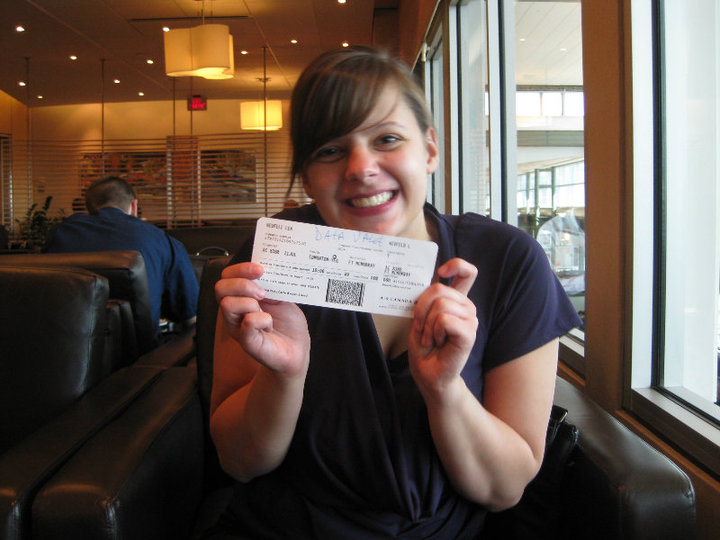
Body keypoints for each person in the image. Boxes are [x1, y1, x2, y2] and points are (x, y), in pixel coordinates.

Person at [207, 46, 582, 539]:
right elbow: (238, 462)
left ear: (429, 149)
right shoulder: (273, 260)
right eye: (330, 151)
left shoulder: (508, 261)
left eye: (387, 139)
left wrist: (445, 391)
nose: (360, 167)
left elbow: (503, 488)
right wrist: (284, 375)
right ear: (307, 177)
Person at [44, 176, 199, 334]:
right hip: (141, 349)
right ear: (134, 206)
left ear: (89, 209)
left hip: (66, 346)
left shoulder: (59, 235)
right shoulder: (162, 241)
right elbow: (191, 318)